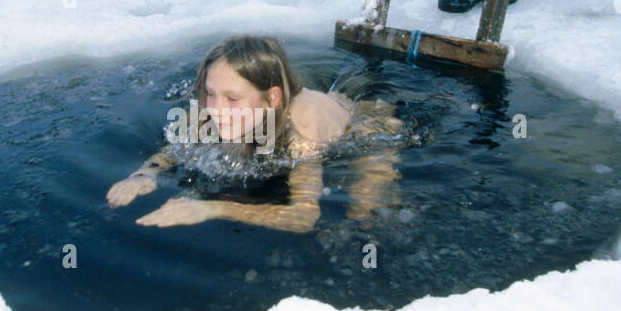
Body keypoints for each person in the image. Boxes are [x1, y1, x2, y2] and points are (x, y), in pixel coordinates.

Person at [105, 35, 403, 232]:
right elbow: (175, 150)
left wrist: (212, 209)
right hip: (287, 96)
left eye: (232, 99)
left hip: (363, 108)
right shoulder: (206, 110)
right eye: (210, 93)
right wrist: (144, 174)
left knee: (365, 211)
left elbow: (303, 216)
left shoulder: (301, 137)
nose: (216, 109)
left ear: (272, 99)